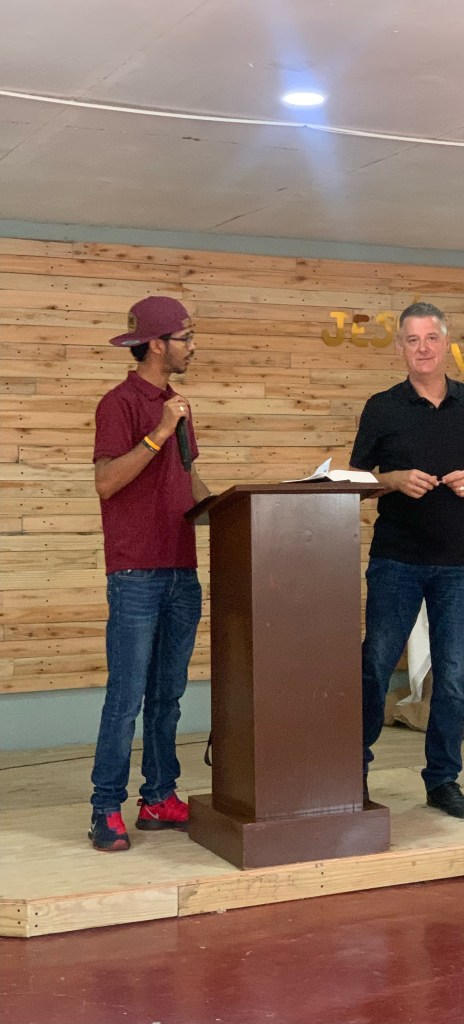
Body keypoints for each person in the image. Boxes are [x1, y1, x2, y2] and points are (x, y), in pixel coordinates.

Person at [350, 301, 464, 820]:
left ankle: (443, 780)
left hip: (460, 563)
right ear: (400, 347)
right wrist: (393, 480)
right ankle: (350, 772)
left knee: (453, 676)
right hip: (396, 560)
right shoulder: (381, 407)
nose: (422, 348)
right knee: (375, 665)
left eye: (431, 338)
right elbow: (356, 481)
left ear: (446, 344)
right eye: (412, 339)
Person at [88, 296, 211, 851]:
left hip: (182, 570)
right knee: (127, 697)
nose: (192, 346)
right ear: (157, 344)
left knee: (168, 695)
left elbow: (189, 480)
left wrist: (236, 512)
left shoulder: (178, 405)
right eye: (185, 338)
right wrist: (159, 431)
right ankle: (105, 807)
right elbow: (106, 482)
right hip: (136, 573)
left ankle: (159, 796)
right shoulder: (118, 404)